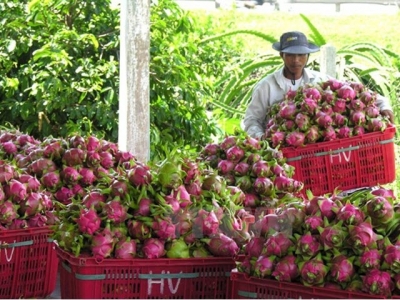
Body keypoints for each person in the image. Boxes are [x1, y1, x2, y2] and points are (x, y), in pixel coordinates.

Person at [242, 31, 395, 140]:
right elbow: (251, 120)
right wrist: (262, 138)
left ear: (308, 56)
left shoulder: (320, 80)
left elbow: (354, 91)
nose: (296, 60)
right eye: (290, 55)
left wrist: (384, 105)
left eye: (301, 55)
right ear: (281, 55)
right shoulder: (266, 86)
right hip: (281, 151)